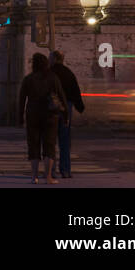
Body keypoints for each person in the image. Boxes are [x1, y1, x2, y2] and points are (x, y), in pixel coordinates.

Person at [19, 52, 68, 184]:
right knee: (49, 146)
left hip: (32, 115)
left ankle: (34, 176)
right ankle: (48, 177)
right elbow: (61, 96)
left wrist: (19, 117)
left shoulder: (28, 79)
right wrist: (65, 115)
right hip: (50, 116)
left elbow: (22, 99)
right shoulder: (53, 78)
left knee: (33, 145)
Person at [49, 50, 85, 179]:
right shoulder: (68, 73)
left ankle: (51, 171)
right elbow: (75, 91)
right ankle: (65, 170)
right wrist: (80, 106)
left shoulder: (49, 73)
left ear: (54, 59)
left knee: (51, 140)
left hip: (51, 109)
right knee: (65, 140)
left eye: (50, 58)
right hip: (66, 109)